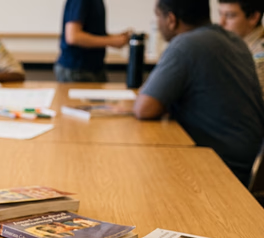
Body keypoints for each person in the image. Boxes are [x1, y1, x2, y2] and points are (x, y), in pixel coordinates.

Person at [134, 0, 264, 186]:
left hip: (220, 168)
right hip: (248, 163)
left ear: (171, 19)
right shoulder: (234, 40)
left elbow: (144, 109)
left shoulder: (185, 44)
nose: (157, 22)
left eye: (158, 16)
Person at [55, 0, 131, 82]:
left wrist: (116, 38)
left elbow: (93, 32)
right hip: (78, 70)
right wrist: (111, 41)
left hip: (94, 68)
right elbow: (73, 37)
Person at [218, 0, 264, 98]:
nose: (221, 23)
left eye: (230, 15)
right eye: (220, 14)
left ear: (254, 17)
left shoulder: (259, 53)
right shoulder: (238, 46)